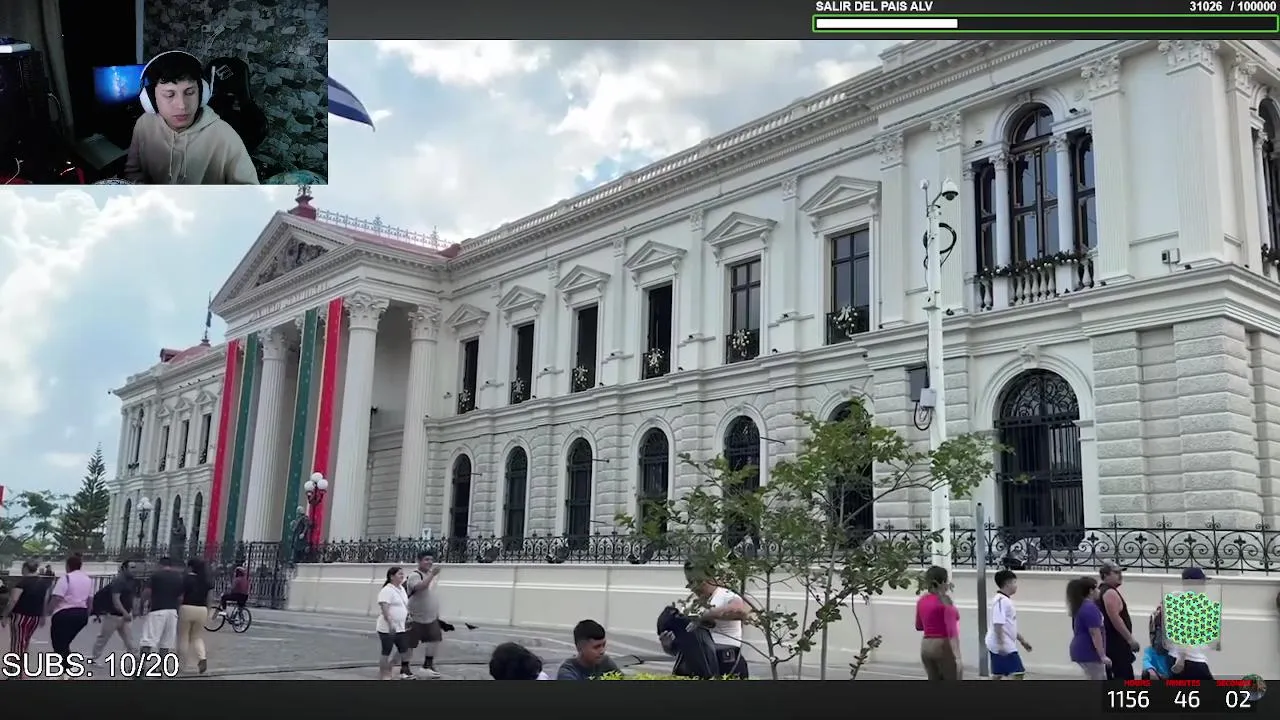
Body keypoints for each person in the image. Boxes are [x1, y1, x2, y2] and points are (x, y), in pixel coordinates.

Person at [123, 50, 259, 185]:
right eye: (169, 95)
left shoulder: (225, 136)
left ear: (202, 94)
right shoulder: (144, 124)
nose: (182, 106)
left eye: (189, 93)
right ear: (151, 99)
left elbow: (249, 192)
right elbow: (133, 171)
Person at [680, 560, 750, 678]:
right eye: (690, 582)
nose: (694, 587)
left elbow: (742, 612)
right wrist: (670, 643)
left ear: (711, 578)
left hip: (726, 661)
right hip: (699, 663)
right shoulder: (690, 602)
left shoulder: (726, 595)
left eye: (699, 581)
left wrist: (706, 616)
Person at [1167, 567, 1217, 681]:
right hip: (1190, 660)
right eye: (1202, 582)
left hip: (1182, 658)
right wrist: (1181, 659)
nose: (1204, 585)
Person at [0, 560, 48, 677]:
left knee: (17, 644)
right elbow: (45, 600)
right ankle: (20, 669)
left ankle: (15, 672)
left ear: (25, 568)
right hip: (35, 617)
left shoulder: (22, 583)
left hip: (21, 617)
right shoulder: (43, 583)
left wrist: (4, 615)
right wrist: (43, 615)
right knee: (25, 643)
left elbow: (13, 600)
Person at [47, 554, 93, 674]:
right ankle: (67, 666)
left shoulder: (66, 578)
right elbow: (90, 600)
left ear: (68, 566)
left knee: (58, 642)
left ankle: (67, 668)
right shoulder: (88, 580)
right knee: (65, 642)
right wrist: (87, 614)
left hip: (64, 614)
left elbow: (57, 597)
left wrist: (48, 611)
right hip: (81, 613)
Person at [916, 565, 961, 680]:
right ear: (943, 582)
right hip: (942, 644)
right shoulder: (945, 601)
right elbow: (952, 629)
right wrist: (957, 657)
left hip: (926, 645)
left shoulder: (922, 600)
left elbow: (919, 626)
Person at [139, 556, 184, 671]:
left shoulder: (156, 576)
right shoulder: (178, 577)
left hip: (157, 610)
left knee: (148, 640)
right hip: (172, 612)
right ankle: (160, 668)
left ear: (160, 565)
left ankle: (141, 666)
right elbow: (180, 597)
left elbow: (147, 592)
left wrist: (141, 605)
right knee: (166, 643)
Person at [985, 569, 1032, 679]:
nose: (1016, 586)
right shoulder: (1001, 601)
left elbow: (1009, 626)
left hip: (1001, 643)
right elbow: (998, 624)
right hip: (1003, 644)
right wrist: (1001, 644)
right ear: (1007, 583)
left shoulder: (1004, 600)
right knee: (1018, 672)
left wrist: (1022, 641)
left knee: (998, 674)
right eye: (1014, 582)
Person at [89, 560, 139, 664]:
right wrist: (125, 613)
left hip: (125, 615)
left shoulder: (132, 581)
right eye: (131, 567)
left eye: (135, 567)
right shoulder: (118, 581)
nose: (134, 570)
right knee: (103, 637)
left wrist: (134, 609)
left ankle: (136, 658)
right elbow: (116, 600)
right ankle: (95, 658)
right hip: (113, 615)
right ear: (124, 569)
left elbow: (132, 597)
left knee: (129, 638)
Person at [404, 551, 444, 679]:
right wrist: (432, 575)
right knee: (410, 644)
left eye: (431, 560)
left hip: (431, 616)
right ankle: (404, 669)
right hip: (415, 616)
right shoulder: (415, 575)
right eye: (426, 559)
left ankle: (428, 665)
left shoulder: (431, 576)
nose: (429, 562)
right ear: (419, 561)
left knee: (434, 639)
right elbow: (420, 587)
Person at [1098, 560, 1138, 679]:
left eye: (1120, 572)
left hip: (1110, 644)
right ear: (1105, 575)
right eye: (1116, 573)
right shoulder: (1110, 592)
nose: (1120, 575)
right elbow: (1115, 618)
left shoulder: (1102, 591)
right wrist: (1130, 640)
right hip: (1116, 645)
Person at [177, 558, 216, 675]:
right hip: (202, 609)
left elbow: (180, 596)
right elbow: (210, 598)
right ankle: (202, 657)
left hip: (187, 607)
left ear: (190, 567)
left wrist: (178, 608)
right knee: (197, 637)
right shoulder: (206, 580)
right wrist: (208, 611)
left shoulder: (185, 579)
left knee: (183, 637)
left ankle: (181, 664)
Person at [1067, 576, 1109, 679]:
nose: (1099, 591)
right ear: (1091, 591)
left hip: (1084, 650)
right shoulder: (1089, 608)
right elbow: (1095, 632)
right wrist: (1102, 655)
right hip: (1088, 651)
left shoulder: (1083, 606)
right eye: (1097, 588)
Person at [376, 566, 413, 680]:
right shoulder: (387, 590)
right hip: (388, 628)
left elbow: (404, 605)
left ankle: (398, 669)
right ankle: (384, 674)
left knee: (405, 650)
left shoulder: (401, 589)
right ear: (392, 577)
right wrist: (390, 622)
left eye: (402, 574)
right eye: (399, 574)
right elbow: (385, 608)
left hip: (401, 627)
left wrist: (408, 617)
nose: (402, 576)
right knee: (386, 651)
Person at [557, 619, 622, 680]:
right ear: (580, 648)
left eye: (603, 645)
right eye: (596, 647)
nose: (602, 651)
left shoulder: (605, 662)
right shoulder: (568, 672)